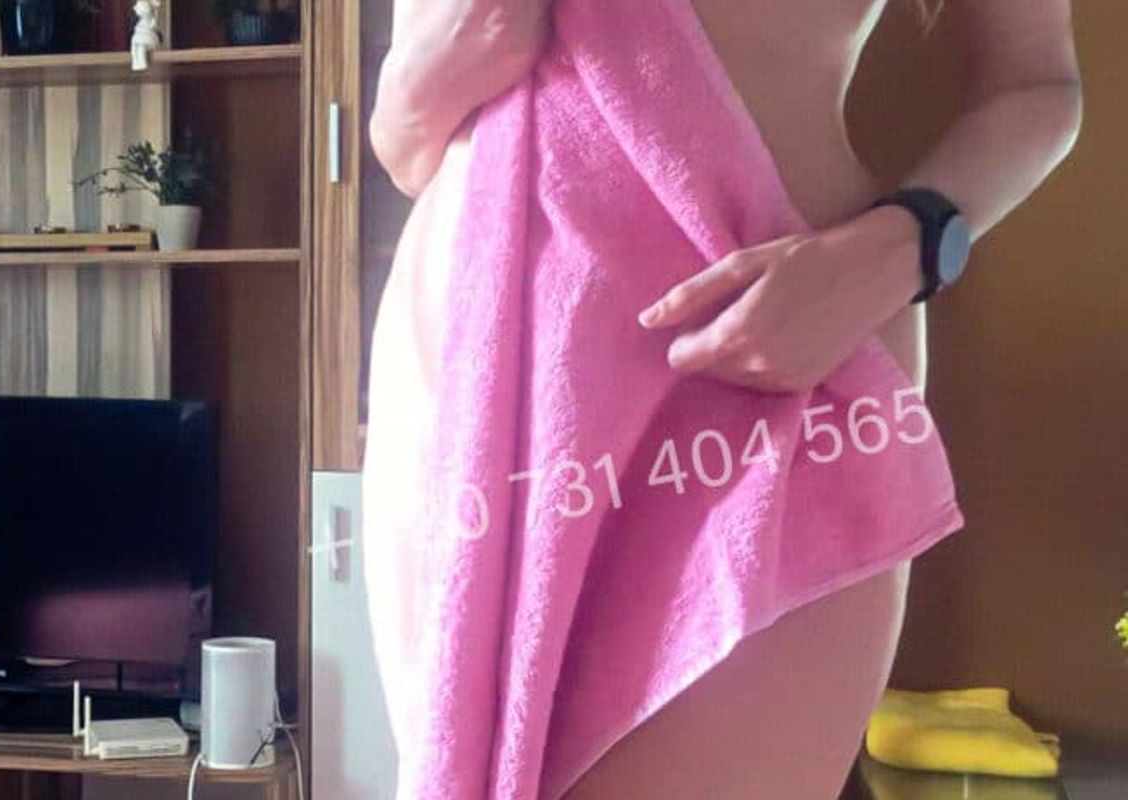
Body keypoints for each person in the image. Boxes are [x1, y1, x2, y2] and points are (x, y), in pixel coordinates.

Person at [365, 1, 1082, 796]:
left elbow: (1037, 87)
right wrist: (441, 59)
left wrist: (902, 247)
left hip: (772, 364)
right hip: (470, 389)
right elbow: (403, 148)